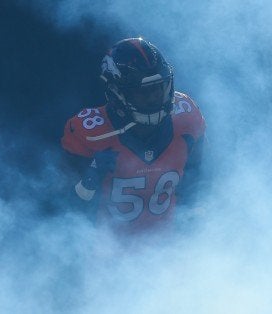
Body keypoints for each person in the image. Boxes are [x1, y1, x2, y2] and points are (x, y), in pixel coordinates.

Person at [60, 38, 206, 233]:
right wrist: (90, 178)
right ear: (116, 93)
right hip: (105, 253)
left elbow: (194, 185)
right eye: (143, 93)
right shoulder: (89, 133)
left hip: (170, 251)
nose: (154, 98)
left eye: (158, 89)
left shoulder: (186, 119)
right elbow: (61, 210)